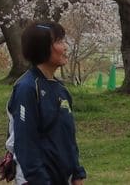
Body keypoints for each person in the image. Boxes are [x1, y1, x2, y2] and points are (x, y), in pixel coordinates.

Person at [6, 21, 86, 185]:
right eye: (59, 41)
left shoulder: (61, 89)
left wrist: (77, 173)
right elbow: (25, 144)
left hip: (62, 178)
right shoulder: (27, 88)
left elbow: (67, 137)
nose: (65, 47)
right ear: (41, 47)